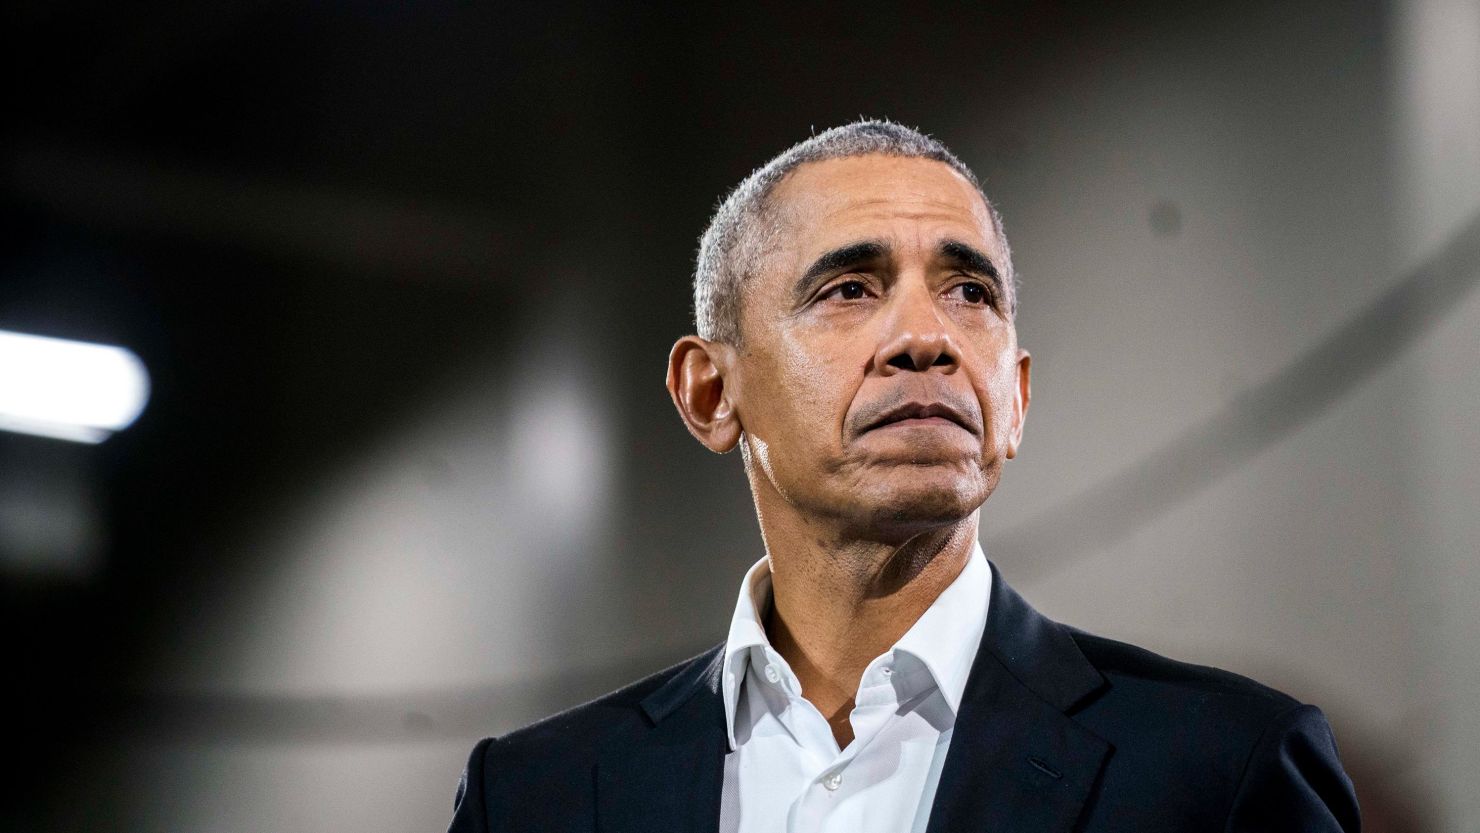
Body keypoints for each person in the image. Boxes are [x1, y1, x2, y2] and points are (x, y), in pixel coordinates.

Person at [446, 120, 1360, 833]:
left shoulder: (1220, 769)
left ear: (1017, 393)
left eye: (971, 293)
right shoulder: (533, 796)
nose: (928, 337)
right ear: (711, 391)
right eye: (849, 289)